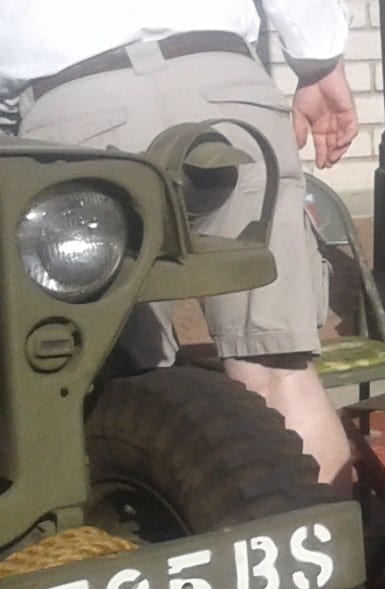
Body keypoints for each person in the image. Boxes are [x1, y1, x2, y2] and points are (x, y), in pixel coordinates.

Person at [0, 0, 360, 496]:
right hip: (224, 87)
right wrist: (319, 62)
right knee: (279, 371)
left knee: (125, 389)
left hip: (76, 107)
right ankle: (333, 563)